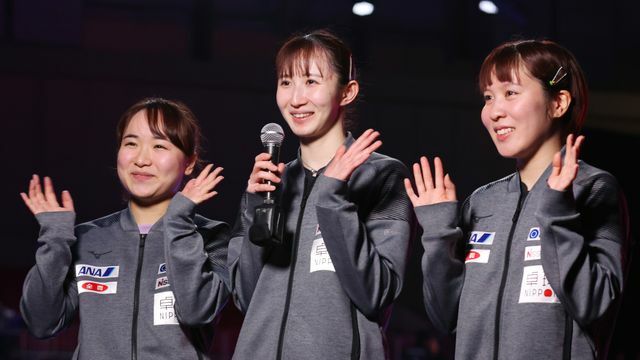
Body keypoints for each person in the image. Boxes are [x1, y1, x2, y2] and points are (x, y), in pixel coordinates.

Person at [405, 39, 630, 359]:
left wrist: (557, 211)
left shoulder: (594, 189)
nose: (494, 112)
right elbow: (445, 317)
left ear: (558, 103)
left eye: (510, 93)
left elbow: (593, 305)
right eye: (488, 97)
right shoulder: (483, 203)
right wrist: (440, 234)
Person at [228, 29, 414, 359]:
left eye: (311, 82)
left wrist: (334, 199)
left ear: (347, 91)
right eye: (286, 83)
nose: (295, 99)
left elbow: (376, 295)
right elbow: (245, 297)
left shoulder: (382, 175)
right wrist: (257, 205)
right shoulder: (271, 183)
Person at [20, 98, 230, 359]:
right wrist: (55, 239)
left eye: (159, 145)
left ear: (189, 162)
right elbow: (42, 323)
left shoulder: (212, 237)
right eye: (131, 143)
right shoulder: (88, 239)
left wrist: (179, 222)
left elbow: (196, 311)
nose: (141, 159)